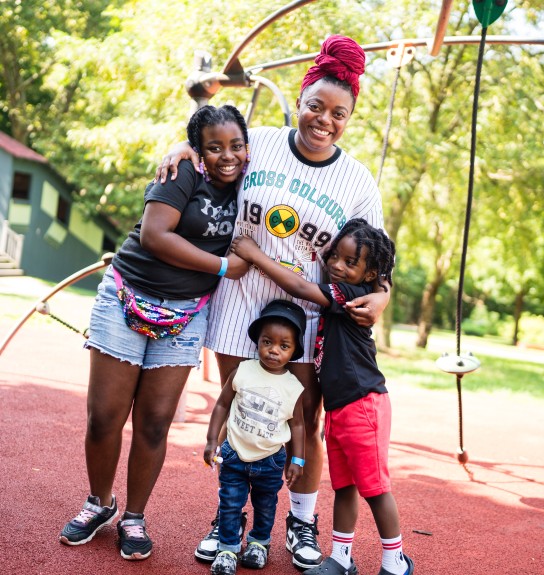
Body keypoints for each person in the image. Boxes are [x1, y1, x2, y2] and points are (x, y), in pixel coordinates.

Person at [156, 35, 391, 570]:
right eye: (315, 106)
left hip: (306, 319)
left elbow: (378, 262)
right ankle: (228, 521)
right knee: (244, 412)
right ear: (301, 98)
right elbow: (212, 153)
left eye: (339, 113)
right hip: (241, 305)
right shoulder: (256, 141)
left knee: (302, 418)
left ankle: (301, 523)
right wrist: (182, 149)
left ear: (349, 117)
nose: (323, 120)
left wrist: (381, 297)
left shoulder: (357, 182)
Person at [59, 105, 250, 561]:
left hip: (186, 314)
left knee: (153, 423)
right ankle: (99, 503)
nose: (228, 156)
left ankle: (134, 517)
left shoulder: (253, 181)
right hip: (127, 297)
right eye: (215, 147)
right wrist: (224, 266)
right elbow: (154, 235)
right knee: (105, 416)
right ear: (199, 152)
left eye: (237, 145)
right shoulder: (181, 171)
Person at [231, 219, 414, 575]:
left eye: (349, 262)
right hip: (339, 409)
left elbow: (298, 285)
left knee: (375, 489)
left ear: (367, 274)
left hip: (364, 405)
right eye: (335, 256)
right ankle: (341, 558)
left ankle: (396, 563)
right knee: (344, 486)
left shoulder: (348, 294)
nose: (336, 265)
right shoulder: (352, 290)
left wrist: (254, 254)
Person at [204, 299, 306, 575]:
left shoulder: (293, 386)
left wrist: (298, 459)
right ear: (257, 342)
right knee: (230, 502)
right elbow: (222, 405)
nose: (273, 350)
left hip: (271, 460)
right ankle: (226, 549)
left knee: (266, 504)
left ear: (294, 351)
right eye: (267, 342)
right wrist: (212, 440)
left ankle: (259, 544)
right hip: (234, 453)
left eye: (284, 346)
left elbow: (297, 427)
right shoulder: (243, 371)